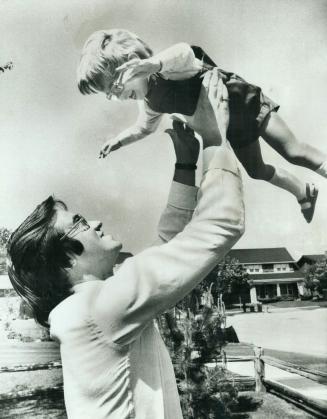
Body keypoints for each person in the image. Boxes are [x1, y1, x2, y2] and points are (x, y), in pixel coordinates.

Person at [7, 73, 244, 419]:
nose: (97, 223)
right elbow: (222, 225)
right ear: (63, 262)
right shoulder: (99, 308)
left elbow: (166, 247)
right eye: (79, 223)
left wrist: (185, 165)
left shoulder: (88, 309)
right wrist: (214, 139)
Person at [77, 28, 327, 223]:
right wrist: (119, 139)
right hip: (232, 128)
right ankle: (303, 191)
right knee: (257, 170)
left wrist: (153, 64)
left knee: (294, 152)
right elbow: (143, 127)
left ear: (133, 62)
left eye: (116, 87)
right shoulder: (150, 103)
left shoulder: (169, 69)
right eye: (110, 95)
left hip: (246, 103)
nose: (118, 97)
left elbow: (183, 52)